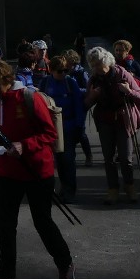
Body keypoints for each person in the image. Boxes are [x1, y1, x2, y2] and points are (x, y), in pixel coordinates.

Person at [0, 60, 75, 279]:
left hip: (37, 170)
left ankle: (65, 265)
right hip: (8, 171)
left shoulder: (31, 98)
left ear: (7, 80)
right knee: (5, 225)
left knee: (43, 222)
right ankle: (7, 277)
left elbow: (49, 133)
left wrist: (24, 145)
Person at [84, 47, 140, 204]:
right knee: (108, 158)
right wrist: (92, 96)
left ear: (106, 61)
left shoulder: (122, 73)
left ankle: (129, 186)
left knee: (125, 158)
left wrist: (128, 91)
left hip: (123, 120)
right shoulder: (93, 79)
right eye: (93, 64)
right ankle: (112, 189)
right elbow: (85, 104)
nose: (96, 68)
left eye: (98, 63)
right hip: (105, 120)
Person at [40, 56, 86, 201]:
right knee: (59, 160)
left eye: (66, 70)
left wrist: (80, 126)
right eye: (60, 71)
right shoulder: (45, 82)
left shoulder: (70, 83)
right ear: (51, 70)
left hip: (68, 127)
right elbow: (39, 104)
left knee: (68, 160)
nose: (64, 73)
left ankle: (70, 191)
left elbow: (79, 106)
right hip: (50, 129)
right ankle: (64, 187)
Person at [64, 50, 94, 167]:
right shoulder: (65, 72)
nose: (65, 63)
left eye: (67, 60)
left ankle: (89, 155)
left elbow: (88, 90)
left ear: (73, 60)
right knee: (68, 132)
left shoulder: (81, 72)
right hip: (68, 105)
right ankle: (71, 157)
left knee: (80, 131)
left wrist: (74, 91)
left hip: (80, 105)